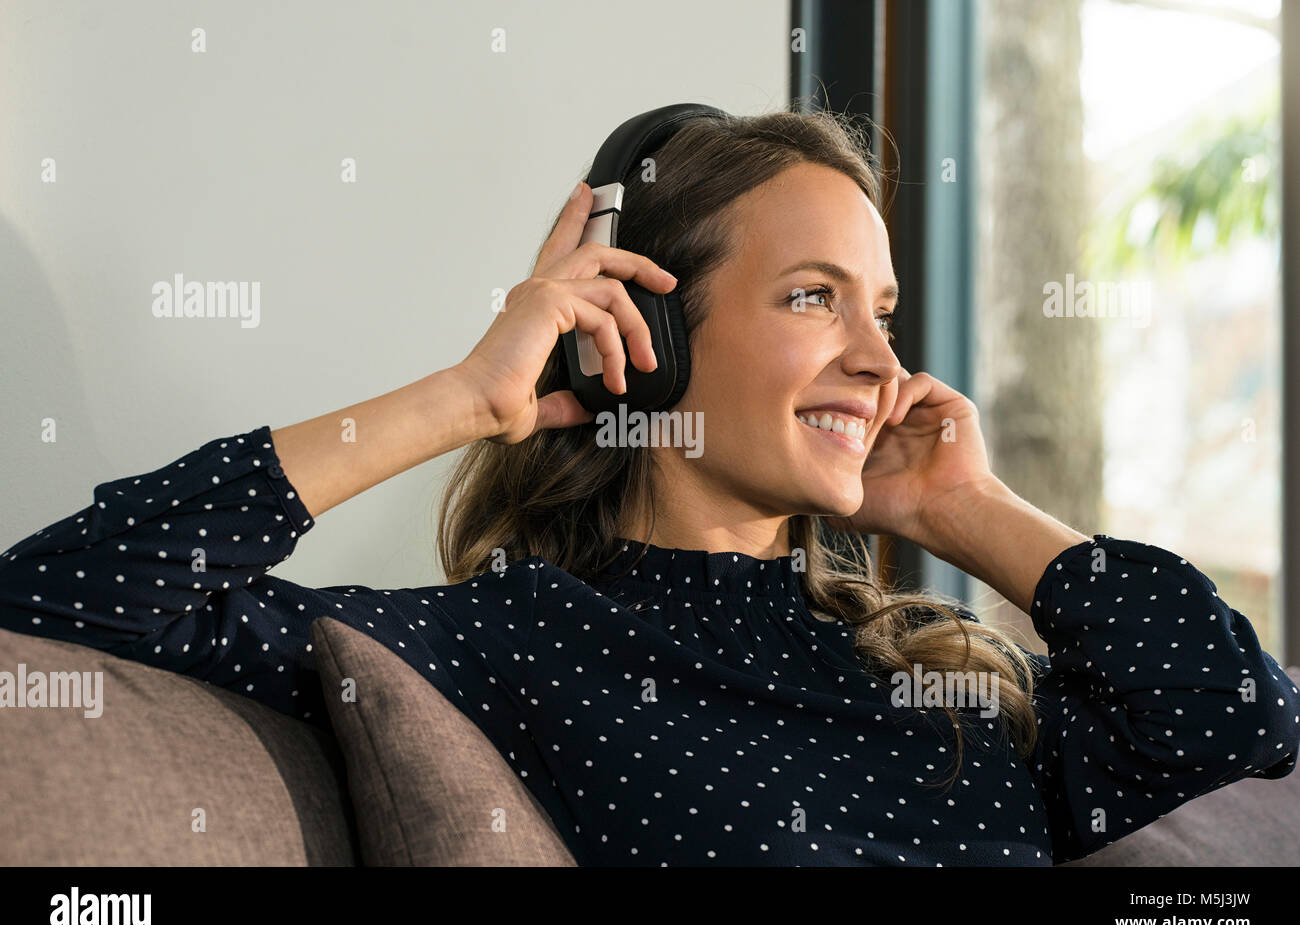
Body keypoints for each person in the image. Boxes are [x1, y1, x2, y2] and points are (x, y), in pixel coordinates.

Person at [2, 109, 1296, 867]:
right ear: (653, 336)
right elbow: (64, 590)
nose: (879, 360)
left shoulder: (943, 671)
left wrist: (969, 512)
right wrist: (464, 395)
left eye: (884, 313)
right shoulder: (509, 641)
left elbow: (1246, 721)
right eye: (812, 298)